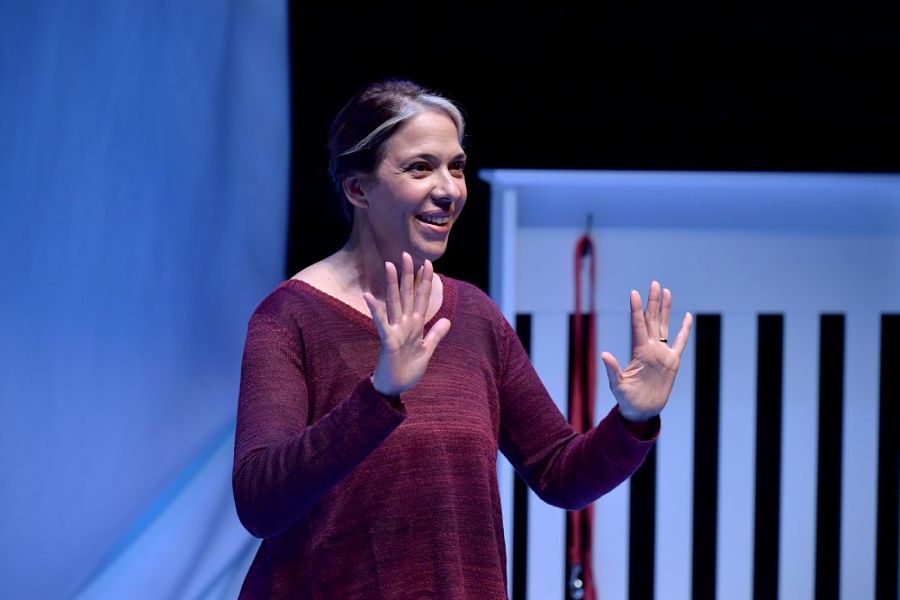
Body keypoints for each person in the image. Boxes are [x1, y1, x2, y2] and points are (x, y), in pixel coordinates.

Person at [232, 79, 693, 599]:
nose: (449, 189)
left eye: (456, 166)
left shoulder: (473, 315)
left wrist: (633, 419)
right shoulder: (289, 318)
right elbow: (259, 503)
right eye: (420, 167)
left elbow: (560, 474)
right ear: (358, 189)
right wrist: (378, 396)